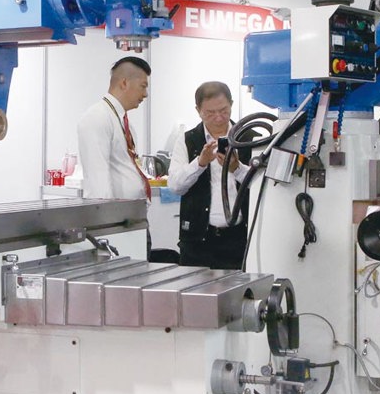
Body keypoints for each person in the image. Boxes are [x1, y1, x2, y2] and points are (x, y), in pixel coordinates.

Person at [168, 81, 250, 269]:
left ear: (232, 104)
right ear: (198, 110)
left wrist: (237, 168)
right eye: (210, 113)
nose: (218, 118)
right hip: (197, 243)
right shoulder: (187, 140)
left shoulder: (249, 138)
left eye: (224, 110)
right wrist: (200, 163)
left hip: (239, 241)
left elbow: (263, 186)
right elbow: (175, 186)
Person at [76, 56, 152, 202]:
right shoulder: (97, 118)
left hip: (129, 211)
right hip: (112, 213)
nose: (145, 94)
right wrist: (108, 214)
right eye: (143, 86)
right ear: (124, 83)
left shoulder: (124, 122)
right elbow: (98, 184)